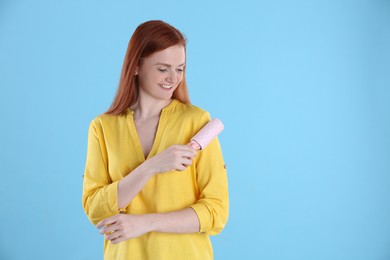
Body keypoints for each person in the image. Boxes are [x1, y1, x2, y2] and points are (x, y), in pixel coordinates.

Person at [82, 20, 229, 260]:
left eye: (180, 68)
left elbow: (216, 212)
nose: (173, 78)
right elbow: (96, 209)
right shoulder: (103, 127)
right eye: (163, 68)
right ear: (136, 66)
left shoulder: (197, 121)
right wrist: (152, 166)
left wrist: (145, 223)